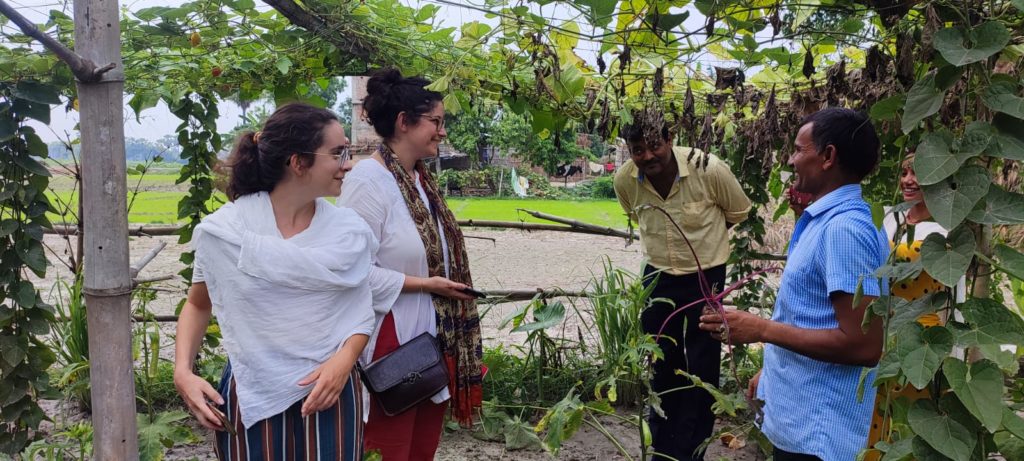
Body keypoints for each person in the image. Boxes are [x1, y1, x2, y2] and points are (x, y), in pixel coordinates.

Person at [173, 103, 374, 461]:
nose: (348, 163)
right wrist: (183, 373)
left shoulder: (348, 232)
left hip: (330, 389)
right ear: (298, 163)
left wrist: (344, 363)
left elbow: (360, 312)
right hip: (254, 388)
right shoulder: (228, 231)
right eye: (337, 153)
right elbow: (198, 303)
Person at [699, 108, 889, 461]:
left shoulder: (844, 230)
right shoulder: (827, 220)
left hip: (819, 434)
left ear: (828, 156)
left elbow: (863, 346)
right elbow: (813, 315)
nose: (791, 160)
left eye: (799, 150)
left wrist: (760, 329)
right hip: (801, 418)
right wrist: (771, 369)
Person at [338, 68, 483, 460]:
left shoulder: (419, 180)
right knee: (388, 449)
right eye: (435, 121)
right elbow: (351, 272)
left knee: (421, 451)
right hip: (391, 340)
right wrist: (427, 285)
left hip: (430, 337)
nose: (442, 131)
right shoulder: (369, 180)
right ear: (404, 122)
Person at [612, 116, 752, 461]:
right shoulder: (625, 181)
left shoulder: (708, 169)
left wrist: (706, 241)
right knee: (662, 361)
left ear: (670, 138)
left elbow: (738, 211)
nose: (647, 156)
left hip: (706, 276)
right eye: (637, 150)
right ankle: (664, 447)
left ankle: (694, 450)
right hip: (658, 277)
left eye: (654, 145)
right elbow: (634, 214)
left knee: (703, 364)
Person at [864, 152, 965, 460]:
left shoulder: (947, 231)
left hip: (924, 339)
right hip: (883, 332)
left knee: (912, 419)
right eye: (905, 172)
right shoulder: (889, 219)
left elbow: (956, 296)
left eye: (917, 173)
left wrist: (955, 356)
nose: (908, 180)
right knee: (878, 417)